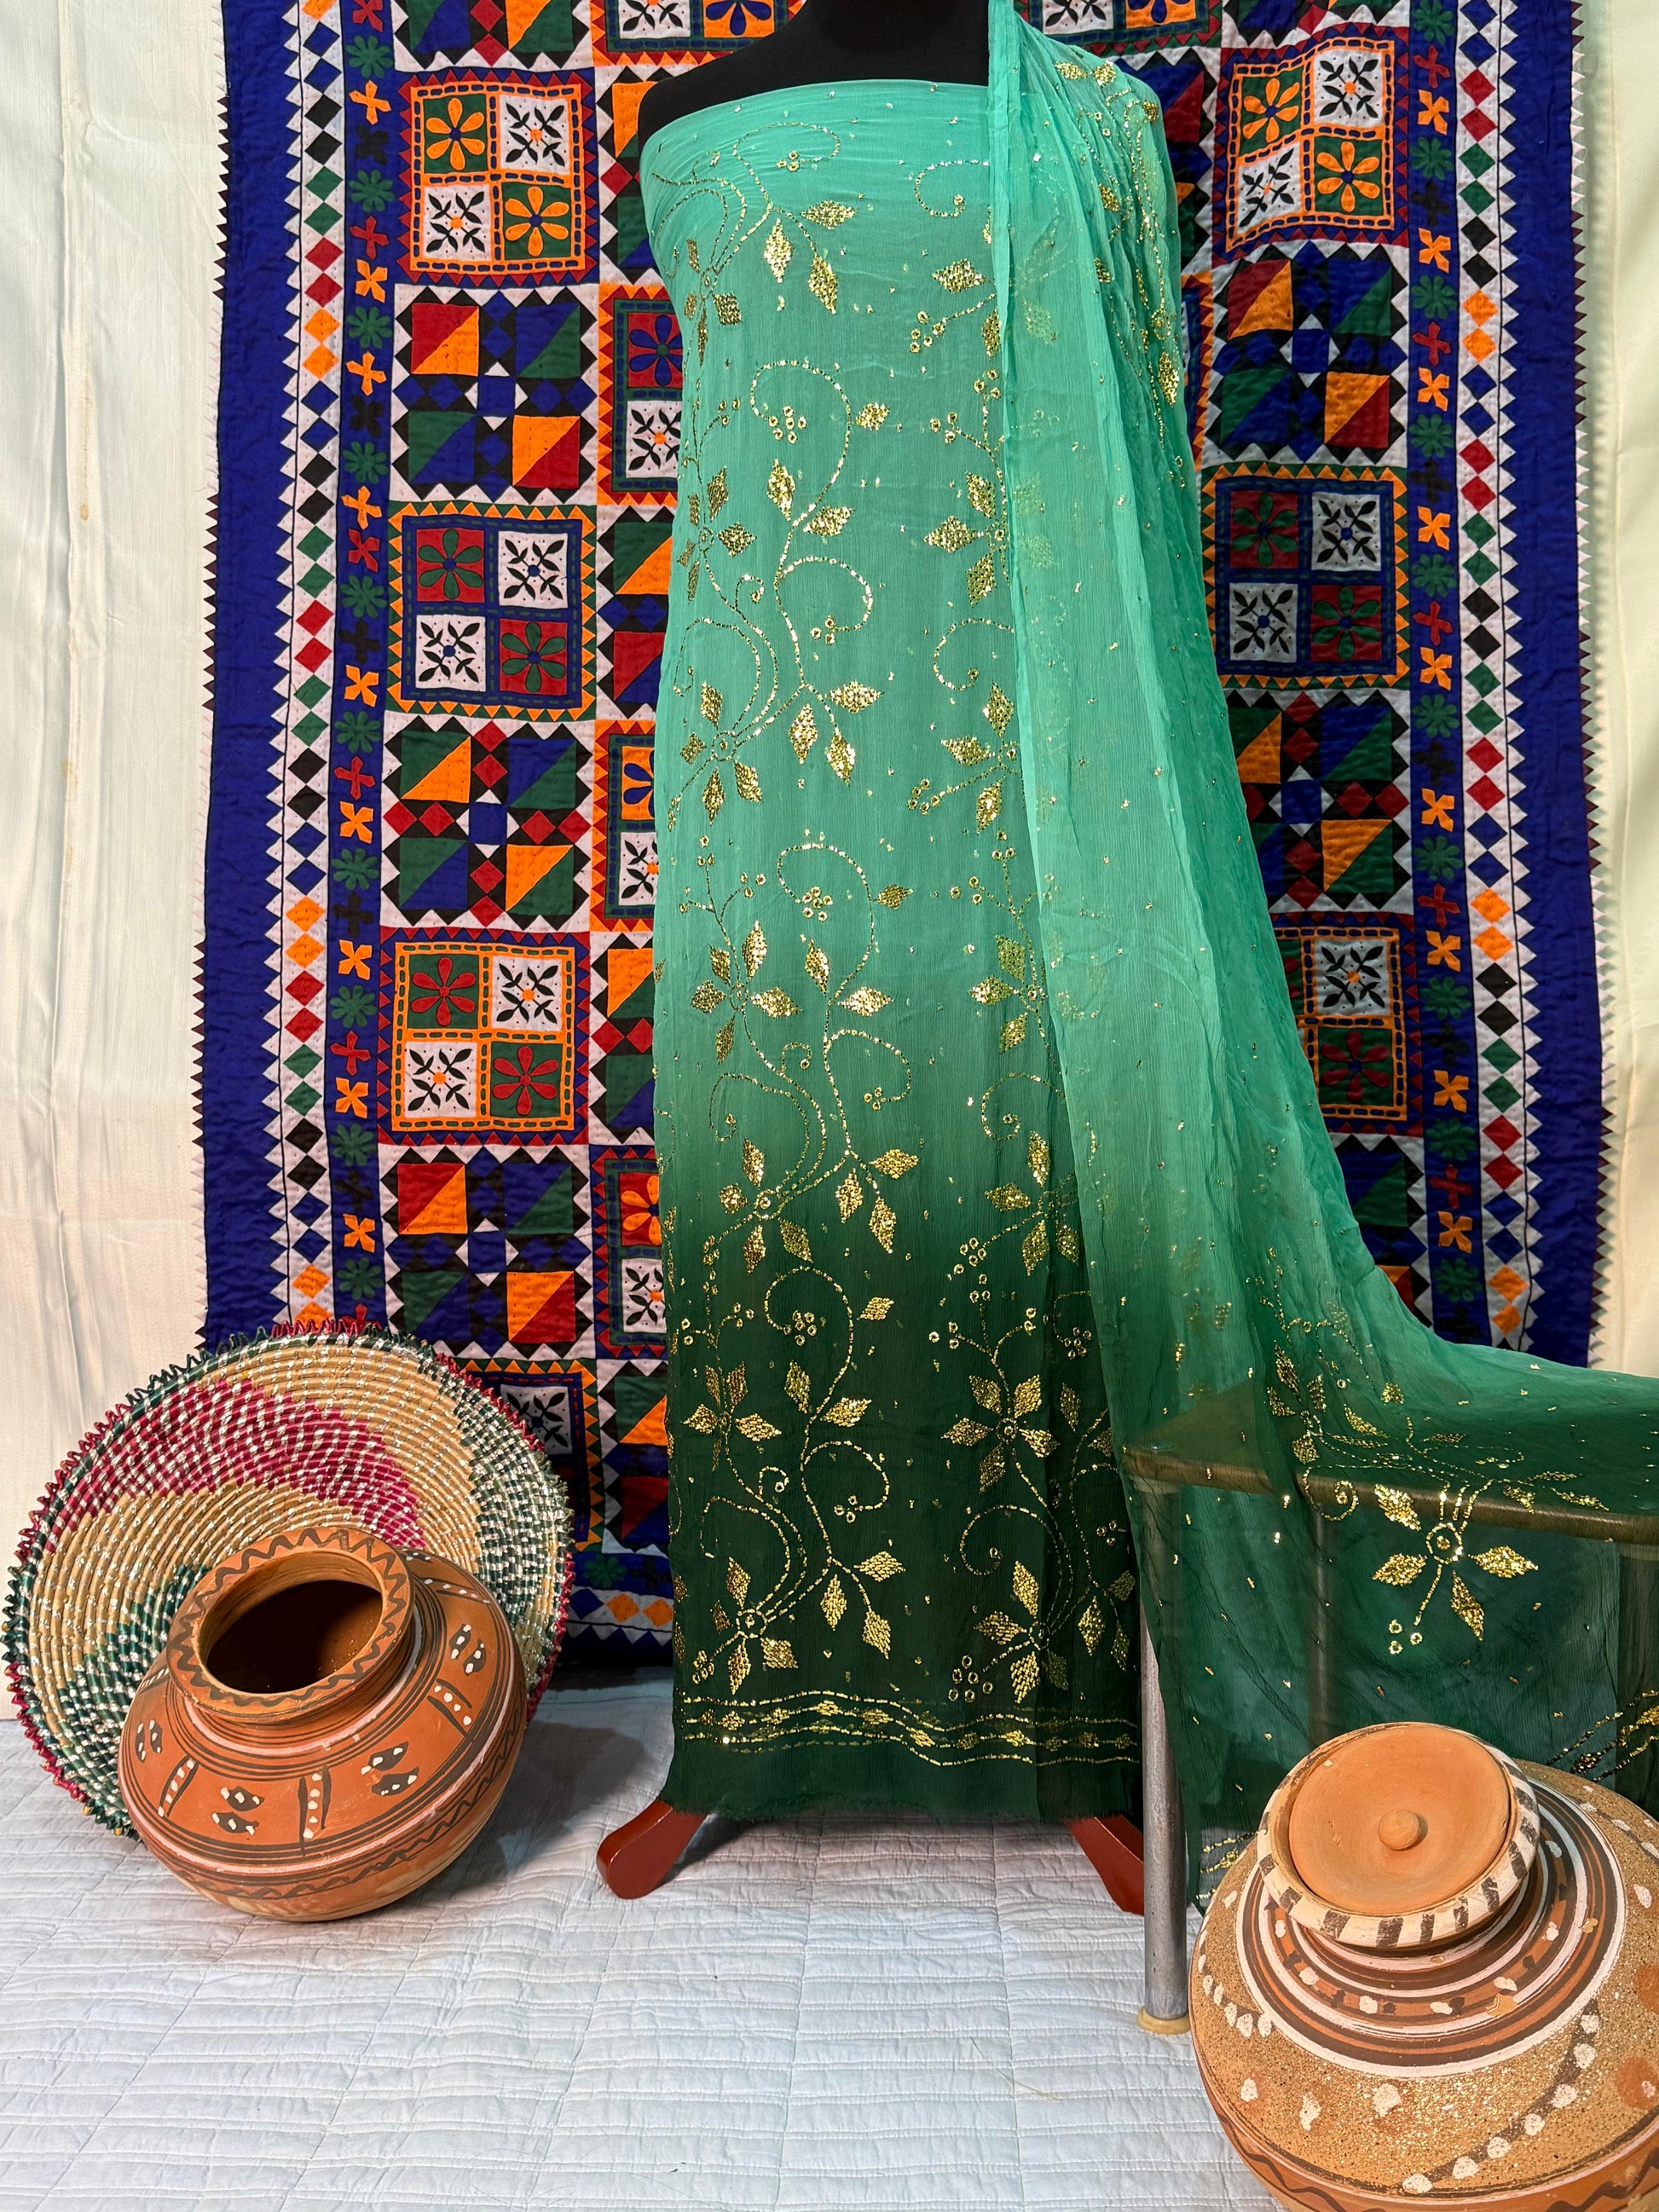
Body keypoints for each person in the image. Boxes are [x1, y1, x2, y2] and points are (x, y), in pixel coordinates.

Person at [626, 0, 1659, 1858]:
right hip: (762, 796)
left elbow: (1118, 519)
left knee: (1046, 1202)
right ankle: (758, 1714)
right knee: (776, 1193)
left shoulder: (1090, 126)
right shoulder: (682, 121)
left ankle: (1080, 1725)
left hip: (1041, 792)